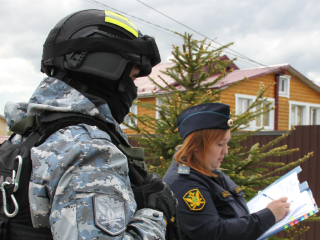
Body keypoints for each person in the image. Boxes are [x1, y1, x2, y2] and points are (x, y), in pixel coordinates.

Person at [2, 9, 177, 240]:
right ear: (106, 68)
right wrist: (155, 214)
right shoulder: (89, 151)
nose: (133, 89)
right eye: (132, 77)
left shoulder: (27, 133)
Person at [163, 103, 290, 240]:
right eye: (220, 144)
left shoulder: (208, 170)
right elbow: (214, 233)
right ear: (196, 145)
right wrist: (268, 216)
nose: (225, 151)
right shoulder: (183, 182)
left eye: (227, 142)